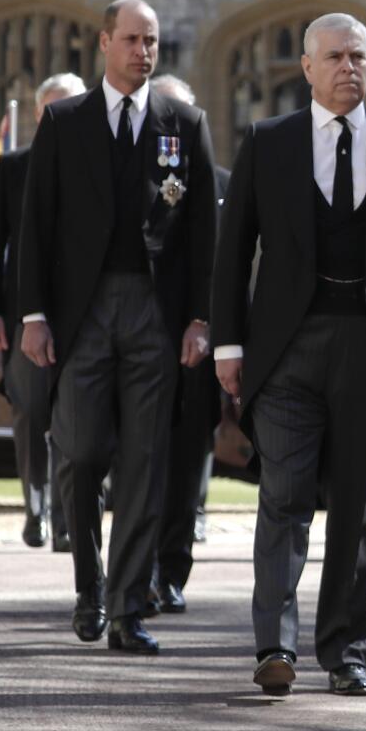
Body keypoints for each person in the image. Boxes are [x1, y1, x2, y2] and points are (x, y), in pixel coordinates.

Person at [214, 13, 366, 696]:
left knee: (358, 505)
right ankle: (275, 642)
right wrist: (228, 342)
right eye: (336, 56)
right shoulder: (269, 143)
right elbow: (233, 253)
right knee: (284, 496)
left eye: (359, 56)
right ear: (307, 66)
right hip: (286, 346)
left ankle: (347, 649)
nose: (349, 67)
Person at [17, 0, 218, 654]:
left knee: (145, 461)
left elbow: (201, 235)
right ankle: (89, 585)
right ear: (104, 43)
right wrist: (34, 314)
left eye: (152, 40)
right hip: (83, 311)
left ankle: (130, 606)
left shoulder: (183, 122)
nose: (142, 51)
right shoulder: (64, 120)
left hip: (154, 314)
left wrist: (199, 318)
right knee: (80, 450)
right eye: (130, 39)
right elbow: (36, 224)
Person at [0, 71, 87, 552]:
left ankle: (66, 518)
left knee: (72, 416)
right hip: (22, 311)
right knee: (28, 410)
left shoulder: (94, 165)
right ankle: (36, 508)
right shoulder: (15, 166)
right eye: (53, 109)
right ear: (41, 113)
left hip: (80, 314)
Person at [145, 73, 227, 616]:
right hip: (137, 338)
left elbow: (232, 267)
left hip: (195, 345)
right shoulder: (130, 181)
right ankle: (132, 570)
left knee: (183, 465)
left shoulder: (222, 181)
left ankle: (171, 569)